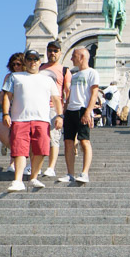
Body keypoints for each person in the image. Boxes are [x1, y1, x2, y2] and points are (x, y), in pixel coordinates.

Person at [1, 50, 63, 191]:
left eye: (35, 59)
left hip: (42, 119)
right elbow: (7, 96)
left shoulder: (48, 79)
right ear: (25, 61)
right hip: (20, 119)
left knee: (41, 150)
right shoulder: (15, 76)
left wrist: (60, 116)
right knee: (19, 151)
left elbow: (56, 99)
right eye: (29, 59)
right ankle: (18, 180)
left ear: (39, 62)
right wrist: (5, 113)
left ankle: (33, 177)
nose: (32, 62)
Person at [58, 46, 100, 184]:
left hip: (83, 109)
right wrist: (64, 110)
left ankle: (84, 173)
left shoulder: (92, 73)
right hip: (71, 110)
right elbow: (70, 95)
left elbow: (94, 94)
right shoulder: (74, 75)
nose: (71, 58)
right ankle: (70, 173)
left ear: (81, 57)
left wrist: (88, 111)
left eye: (74, 56)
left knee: (84, 141)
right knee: (68, 142)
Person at [40, 40, 71, 177]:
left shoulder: (64, 70)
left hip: (54, 108)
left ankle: (51, 167)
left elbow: (67, 92)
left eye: (55, 51)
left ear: (60, 53)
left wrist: (62, 113)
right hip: (38, 107)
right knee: (37, 137)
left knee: (54, 138)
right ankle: (34, 165)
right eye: (50, 50)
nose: (52, 53)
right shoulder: (39, 67)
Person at [0, 53, 26, 172]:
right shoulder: (9, 76)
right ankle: (10, 150)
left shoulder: (27, 76)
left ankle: (13, 163)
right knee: (2, 133)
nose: (15, 66)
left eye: (18, 64)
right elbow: (3, 93)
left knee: (16, 138)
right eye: (13, 64)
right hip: (7, 109)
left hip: (20, 110)